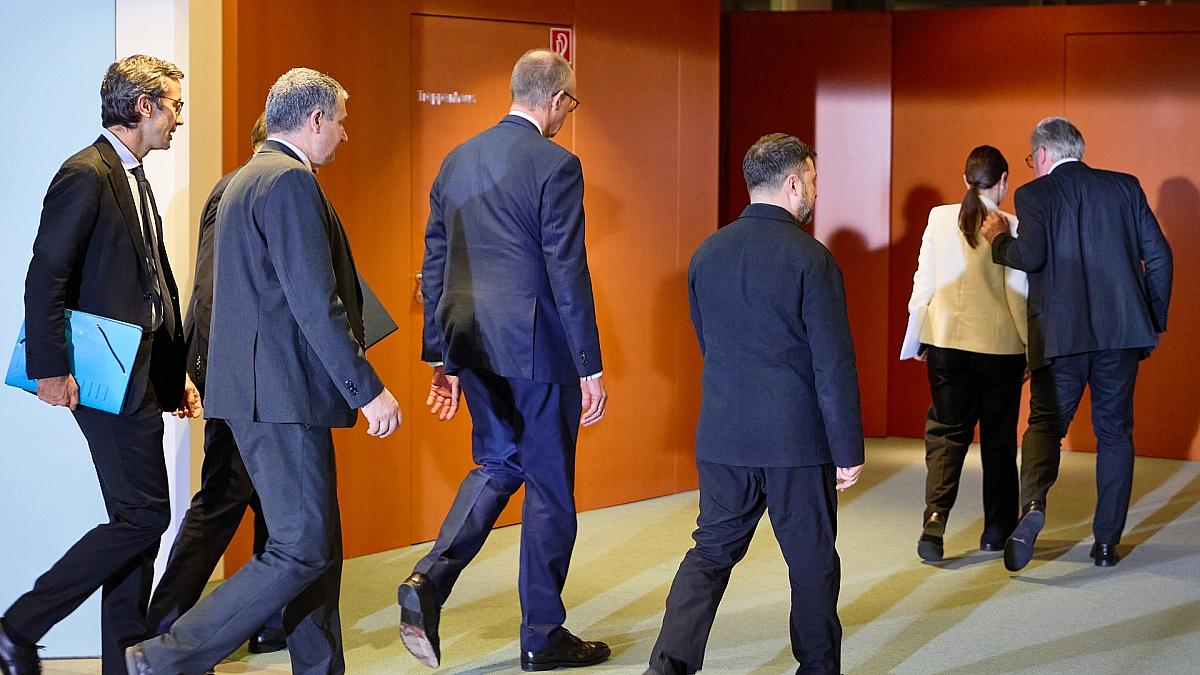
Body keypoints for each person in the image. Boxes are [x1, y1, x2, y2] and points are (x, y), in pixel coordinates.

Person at [124, 67, 402, 675]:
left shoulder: (246, 179)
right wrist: (367, 388)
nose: (345, 134)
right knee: (302, 548)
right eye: (341, 122)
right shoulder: (289, 182)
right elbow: (315, 301)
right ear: (315, 119)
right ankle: (163, 657)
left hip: (258, 393)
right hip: (281, 397)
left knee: (316, 546)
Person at [397, 49, 609, 672]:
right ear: (555, 99)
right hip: (537, 347)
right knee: (549, 487)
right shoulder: (558, 164)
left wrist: (441, 356)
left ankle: (429, 578)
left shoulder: (456, 159)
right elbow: (567, 269)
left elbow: (435, 262)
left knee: (498, 463)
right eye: (570, 104)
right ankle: (542, 635)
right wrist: (589, 364)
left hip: (469, 342)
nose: (568, 114)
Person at [0, 54, 199, 675]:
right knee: (146, 516)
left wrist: (173, 375)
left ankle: (123, 661)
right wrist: (50, 369)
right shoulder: (84, 173)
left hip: (141, 374)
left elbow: (151, 288)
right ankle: (18, 626)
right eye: (174, 106)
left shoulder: (133, 177)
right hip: (101, 377)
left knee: (134, 522)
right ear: (144, 106)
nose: (179, 118)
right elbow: (46, 275)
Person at [645, 134, 865, 675]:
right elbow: (832, 363)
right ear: (792, 183)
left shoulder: (707, 253)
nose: (815, 189)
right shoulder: (812, 259)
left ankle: (667, 669)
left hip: (723, 435)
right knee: (812, 562)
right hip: (796, 441)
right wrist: (847, 449)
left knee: (710, 553)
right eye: (812, 179)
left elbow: (709, 343)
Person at [982, 117, 1172, 571]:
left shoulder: (1035, 194)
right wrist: (1150, 321)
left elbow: (1031, 256)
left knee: (1045, 425)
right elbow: (1160, 257)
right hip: (1121, 335)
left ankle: (1033, 507)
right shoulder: (1125, 187)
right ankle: (1106, 544)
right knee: (1115, 434)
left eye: (1031, 158)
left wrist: (998, 241)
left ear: (1042, 154)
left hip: (1060, 337)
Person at [144, 112, 285, 654]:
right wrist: (201, 369)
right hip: (239, 373)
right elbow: (212, 289)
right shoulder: (250, 190)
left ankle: (272, 620)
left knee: (273, 498)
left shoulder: (236, 189)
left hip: (243, 369)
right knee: (225, 495)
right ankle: (163, 629)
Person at [901, 146, 1028, 562]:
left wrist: (919, 336)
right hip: (999, 348)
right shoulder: (1010, 225)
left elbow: (924, 282)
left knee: (946, 434)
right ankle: (996, 531)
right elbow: (1017, 294)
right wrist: (1030, 347)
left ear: (965, 180)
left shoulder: (939, 218)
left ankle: (935, 521)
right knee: (998, 440)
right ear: (1003, 181)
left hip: (946, 344)